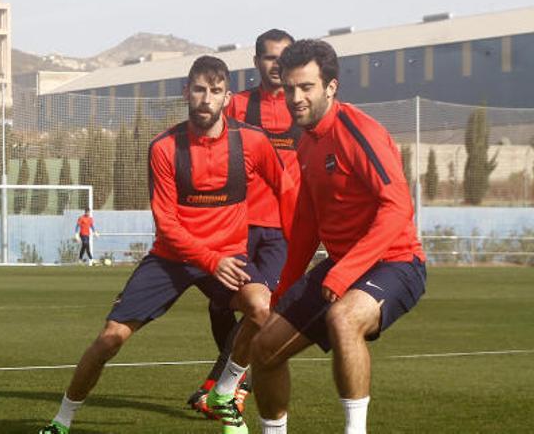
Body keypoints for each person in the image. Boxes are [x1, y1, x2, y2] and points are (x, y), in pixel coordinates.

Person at [37, 55, 296, 434]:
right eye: (199, 89)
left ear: (227, 98)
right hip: (172, 259)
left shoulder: (252, 142)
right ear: (186, 92)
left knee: (261, 310)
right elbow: (168, 225)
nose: (206, 98)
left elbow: (289, 191)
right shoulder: (164, 148)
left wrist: (302, 241)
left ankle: (224, 392)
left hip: (228, 256)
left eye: (216, 91)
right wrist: (211, 260)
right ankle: (61, 421)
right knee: (109, 340)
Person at [245, 40, 427, 434]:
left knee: (343, 319)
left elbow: (397, 208)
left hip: (396, 262)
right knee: (263, 348)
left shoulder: (360, 133)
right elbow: (308, 222)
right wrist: (286, 286)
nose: (295, 97)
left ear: (330, 87)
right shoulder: (305, 141)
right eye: (290, 88)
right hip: (343, 267)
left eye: (306, 87)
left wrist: (346, 275)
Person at [188, 29, 299, 420]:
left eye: (284, 57)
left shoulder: (302, 105)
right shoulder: (238, 106)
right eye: (270, 58)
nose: (277, 65)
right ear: (257, 62)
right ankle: (233, 382)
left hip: (281, 231)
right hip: (234, 226)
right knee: (219, 306)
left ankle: (225, 386)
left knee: (258, 309)